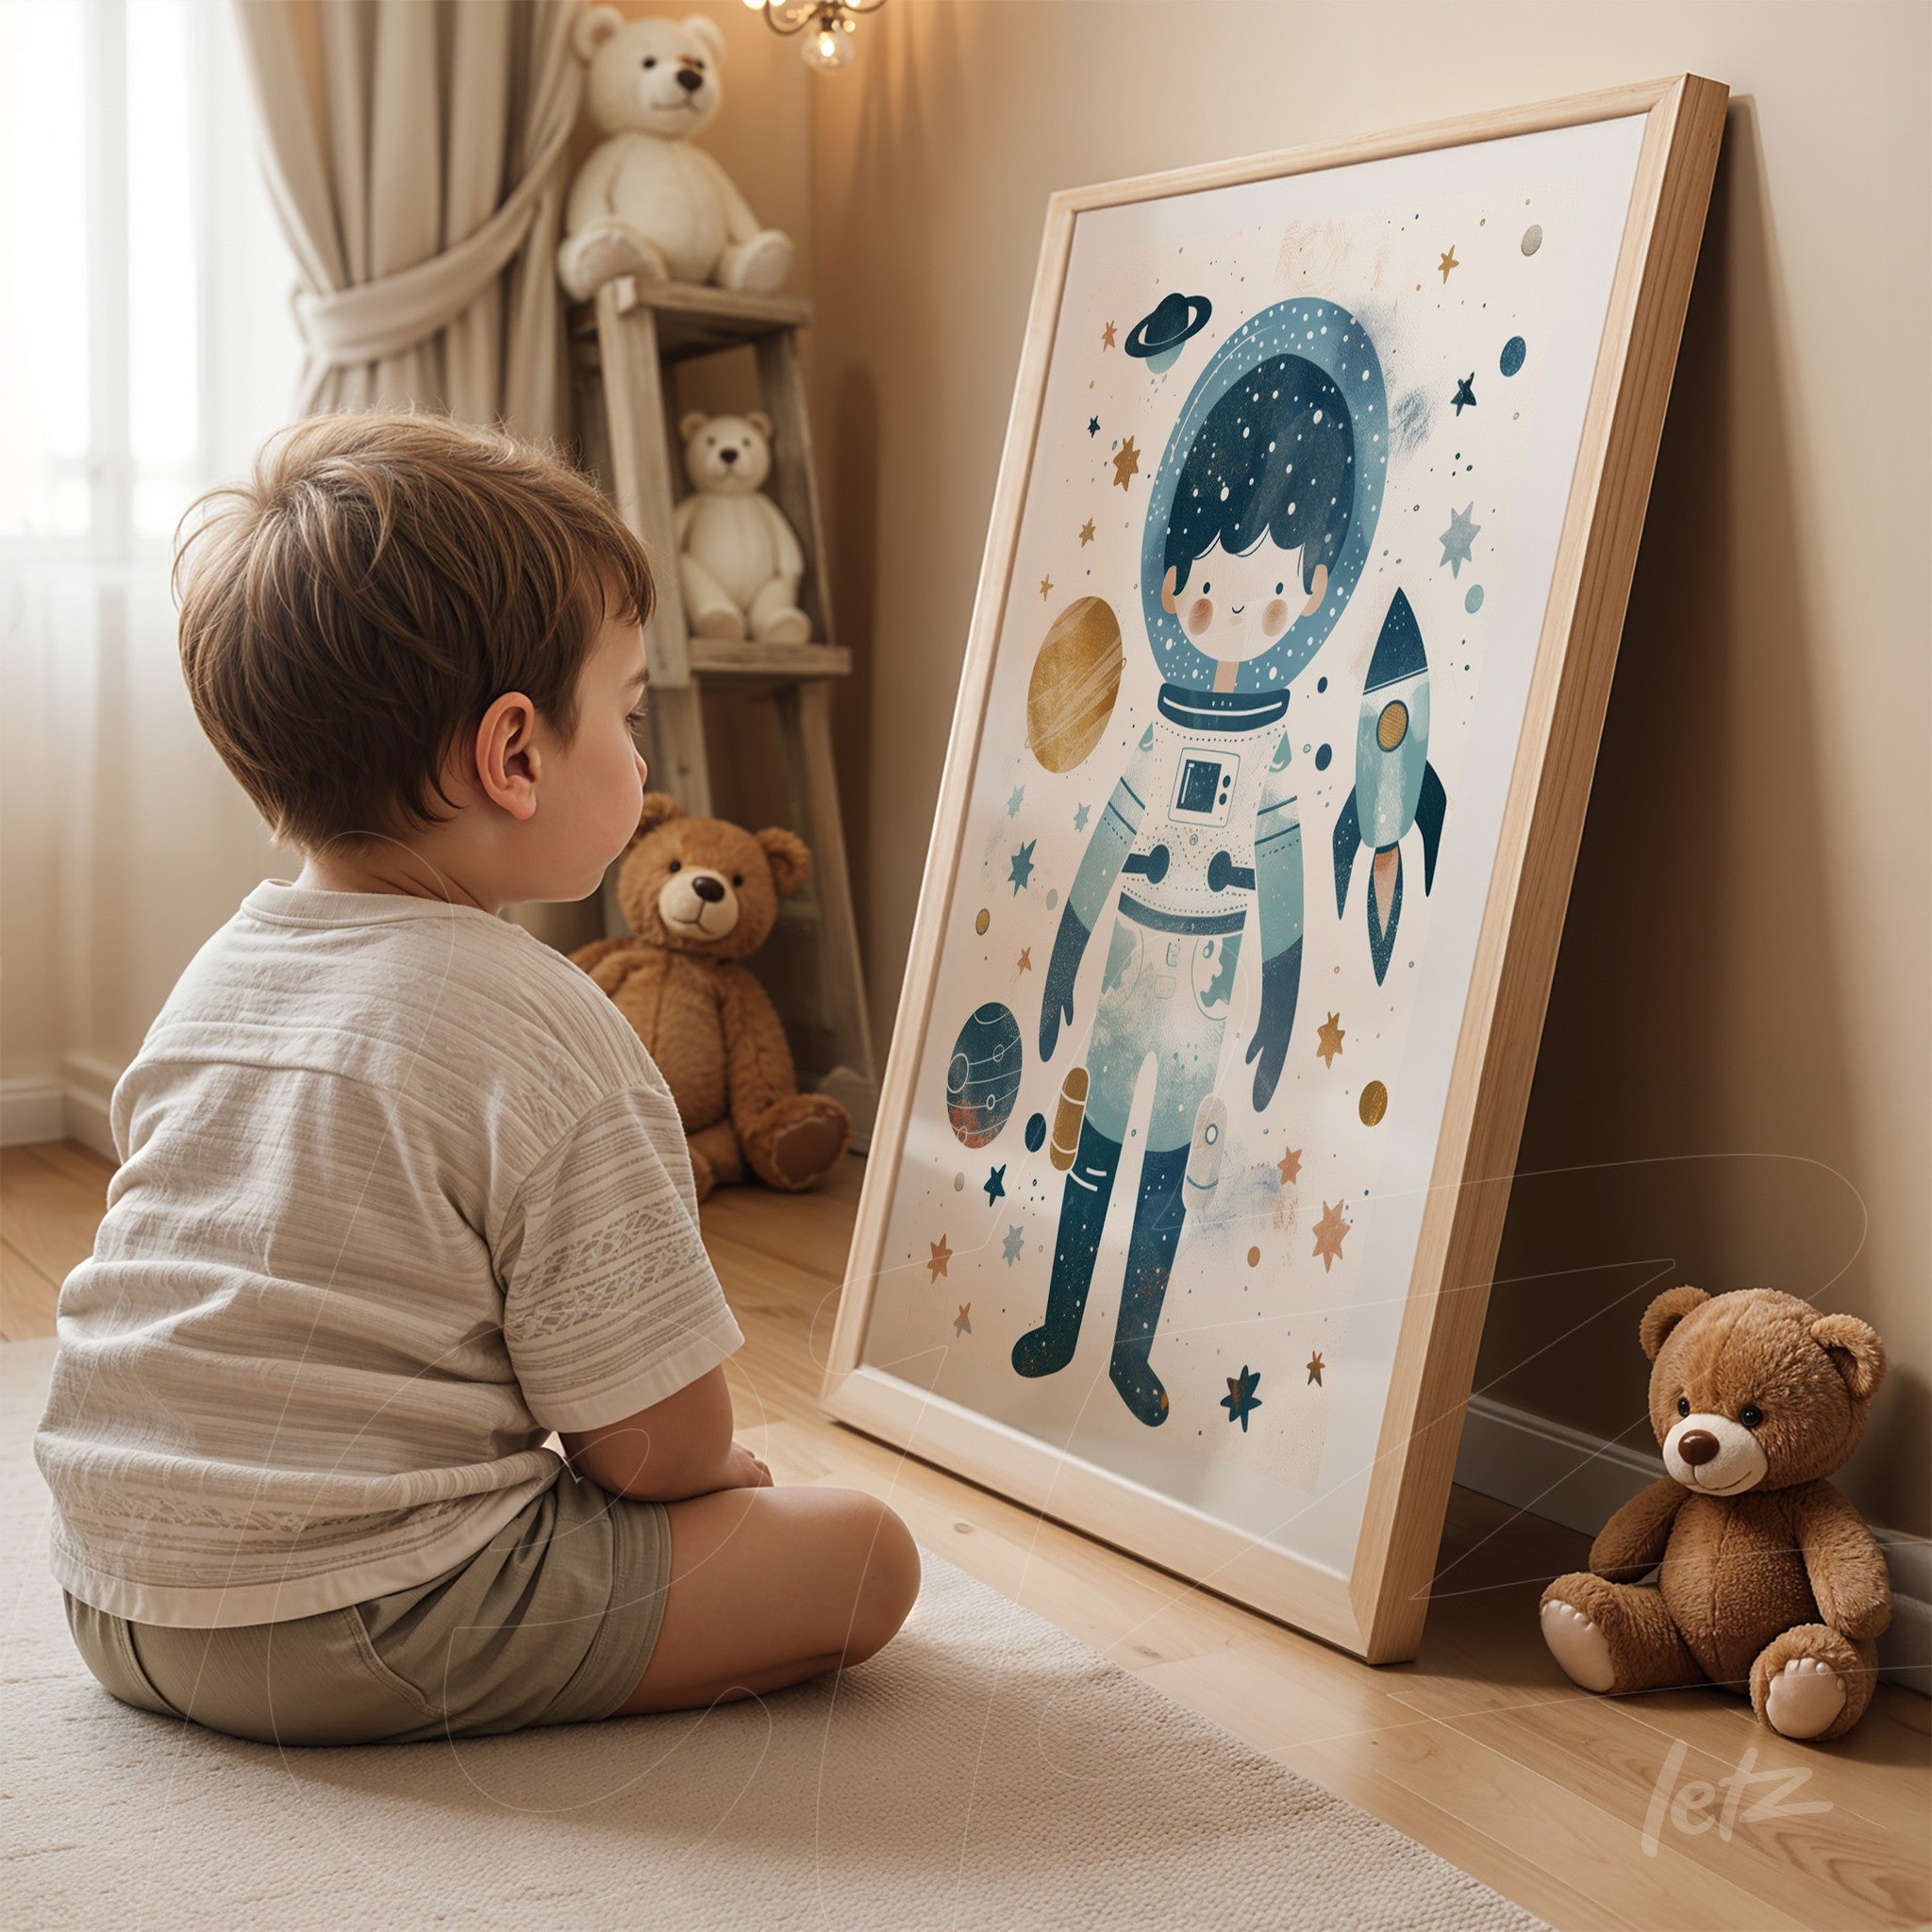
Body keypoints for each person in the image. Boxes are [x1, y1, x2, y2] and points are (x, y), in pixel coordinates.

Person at [33, 410, 919, 1747]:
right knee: (864, 1553)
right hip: (347, 1618)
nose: (642, 762)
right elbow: (649, 1451)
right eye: (626, 717)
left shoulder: (221, 971)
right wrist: (717, 1479)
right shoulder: (543, 1023)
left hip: (113, 1593)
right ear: (513, 757)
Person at [1016, 302, 1389, 1427]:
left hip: (1207, 977)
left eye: (1269, 593)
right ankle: (1060, 1322)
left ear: (1310, 598)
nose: (1239, 610)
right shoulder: (1161, 732)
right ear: (1175, 585)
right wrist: (1065, 956)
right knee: (1093, 1153)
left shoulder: (1267, 751)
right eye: (1219, 589)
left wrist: (1278, 1004)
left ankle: (1130, 1352)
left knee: (1165, 1167)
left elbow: (1280, 881)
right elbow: (1105, 844)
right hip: (1133, 961)